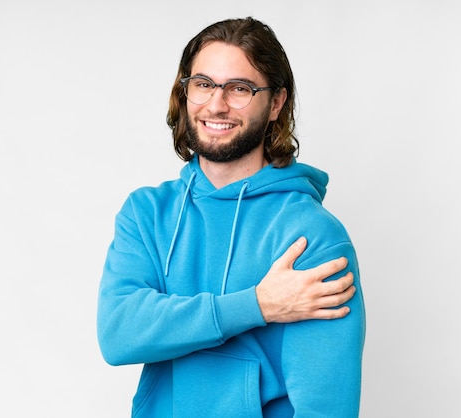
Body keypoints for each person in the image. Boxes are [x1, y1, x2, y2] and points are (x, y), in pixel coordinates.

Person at [97, 16, 365, 417]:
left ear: (276, 103)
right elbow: (119, 334)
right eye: (203, 84)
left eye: (240, 88)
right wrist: (258, 304)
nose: (216, 104)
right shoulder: (147, 213)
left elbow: (326, 407)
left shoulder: (312, 235)